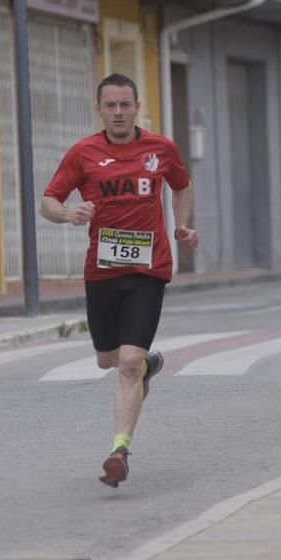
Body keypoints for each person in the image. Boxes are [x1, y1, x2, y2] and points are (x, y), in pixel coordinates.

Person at [40, 73, 199, 487]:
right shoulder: (83, 153)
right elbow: (48, 200)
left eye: (125, 104)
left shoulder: (161, 149)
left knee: (127, 364)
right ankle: (147, 367)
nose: (118, 112)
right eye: (109, 105)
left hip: (149, 268)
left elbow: (182, 186)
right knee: (108, 359)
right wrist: (67, 214)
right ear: (99, 110)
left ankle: (120, 449)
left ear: (137, 106)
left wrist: (182, 226)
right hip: (102, 270)